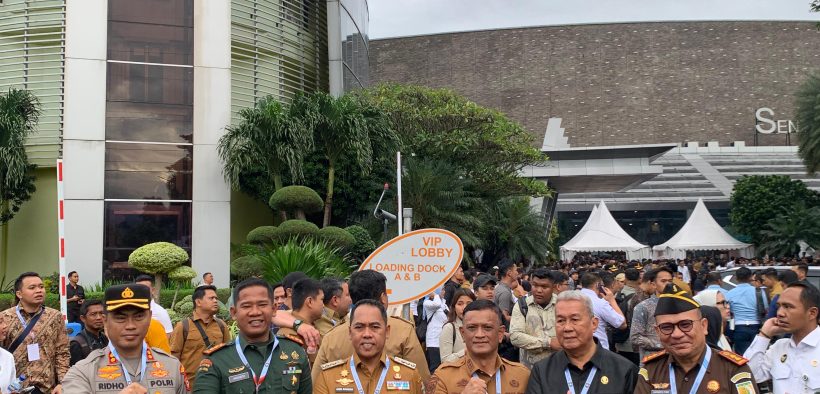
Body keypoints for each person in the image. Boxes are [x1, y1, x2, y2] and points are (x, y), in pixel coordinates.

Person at [62, 284, 190, 393]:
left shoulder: (172, 367)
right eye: (120, 318)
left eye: (139, 316)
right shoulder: (83, 372)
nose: (130, 326)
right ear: (105, 321)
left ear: (150, 318)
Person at [194, 278, 311, 393]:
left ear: (274, 309)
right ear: (234, 313)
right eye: (246, 306)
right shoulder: (217, 360)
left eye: (262, 304)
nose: (255, 312)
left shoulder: (295, 352)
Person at [635, 284, 757, 394]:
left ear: (704, 326)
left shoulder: (733, 370)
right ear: (657, 332)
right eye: (667, 327)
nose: (677, 334)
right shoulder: (651, 370)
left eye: (685, 325)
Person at [312, 270, 429, 382]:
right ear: (383, 297)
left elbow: (316, 382)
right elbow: (422, 380)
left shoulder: (331, 337)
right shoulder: (404, 331)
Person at [526, 290, 638, 393]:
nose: (567, 328)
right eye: (561, 320)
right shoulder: (542, 371)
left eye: (575, 319)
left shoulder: (624, 370)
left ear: (594, 324)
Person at [314, 299, 425, 394]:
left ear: (387, 332)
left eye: (375, 327)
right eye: (359, 327)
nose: (367, 334)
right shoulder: (328, 377)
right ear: (350, 332)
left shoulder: (409, 375)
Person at [429, 300, 530, 394]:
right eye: (472, 328)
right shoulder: (443, 376)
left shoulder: (522, 375)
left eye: (487, 328)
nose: (479, 334)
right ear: (463, 334)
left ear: (500, 334)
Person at [0, 272, 69, 394]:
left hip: (47, 388)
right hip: (15, 389)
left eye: (41, 287)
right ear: (19, 294)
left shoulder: (55, 316)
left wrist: (62, 383)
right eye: (32, 288)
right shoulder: (5, 317)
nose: (39, 290)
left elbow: (62, 352)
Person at [745, 282, 820, 392]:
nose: (780, 313)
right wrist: (764, 335)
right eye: (778, 306)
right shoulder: (779, 347)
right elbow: (748, 375)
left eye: (788, 307)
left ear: (812, 313)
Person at [170, 285, 230, 386]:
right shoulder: (183, 326)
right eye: (211, 298)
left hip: (215, 385)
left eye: (216, 298)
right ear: (198, 302)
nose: (215, 301)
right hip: (189, 386)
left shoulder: (221, 326)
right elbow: (173, 358)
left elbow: (228, 355)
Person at [510, 268, 559, 368]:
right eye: (535, 285)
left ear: (554, 287)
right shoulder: (522, 305)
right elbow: (515, 336)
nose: (539, 290)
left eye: (544, 286)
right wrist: (547, 343)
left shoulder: (562, 305)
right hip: (530, 370)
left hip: (558, 368)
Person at [630, 267, 673, 360]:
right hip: (652, 360)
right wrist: (662, 345)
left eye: (670, 281)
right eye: (663, 281)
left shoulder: (679, 304)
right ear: (653, 284)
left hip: (676, 359)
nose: (668, 284)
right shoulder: (643, 307)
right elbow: (635, 337)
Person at [275, 278, 324, 359]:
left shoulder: (314, 325)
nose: (323, 305)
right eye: (322, 299)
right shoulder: (289, 335)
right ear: (310, 302)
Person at [726, 266, 768, 355]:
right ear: (750, 278)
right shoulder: (759, 292)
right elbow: (765, 308)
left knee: (742, 357)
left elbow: (728, 311)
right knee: (757, 354)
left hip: (738, 327)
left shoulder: (729, 293)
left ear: (736, 278)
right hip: (756, 327)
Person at [578, 272, 625, 349]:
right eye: (602, 285)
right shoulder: (600, 303)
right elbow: (622, 324)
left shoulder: (572, 298)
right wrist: (612, 300)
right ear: (598, 285)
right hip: (599, 350)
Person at [69, 299, 109, 366]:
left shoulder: (105, 338)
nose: (99, 317)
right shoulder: (77, 343)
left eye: (102, 313)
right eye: (93, 314)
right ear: (83, 318)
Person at [440, 288, 475, 363]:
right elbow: (445, 361)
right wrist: (466, 351)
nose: (464, 308)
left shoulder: (480, 327)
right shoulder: (449, 328)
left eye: (469, 304)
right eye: (460, 304)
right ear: (454, 307)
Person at [614, 267, 641, 364]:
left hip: (620, 340)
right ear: (639, 279)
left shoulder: (616, 295)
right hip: (636, 344)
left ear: (625, 279)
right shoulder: (640, 297)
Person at [423, 288, 449, 372]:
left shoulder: (444, 304)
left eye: (444, 289)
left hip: (444, 340)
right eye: (441, 289)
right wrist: (435, 295)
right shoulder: (427, 303)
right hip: (433, 341)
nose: (444, 292)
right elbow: (437, 304)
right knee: (435, 368)